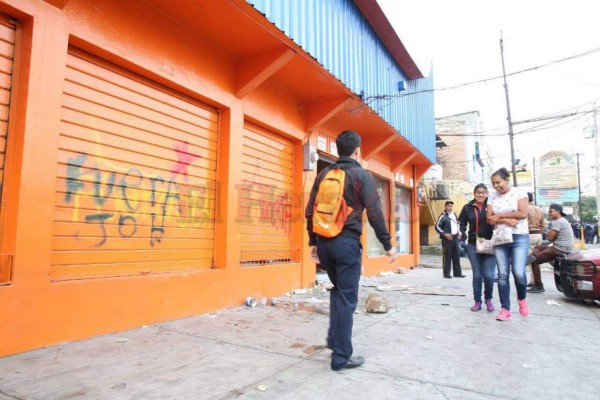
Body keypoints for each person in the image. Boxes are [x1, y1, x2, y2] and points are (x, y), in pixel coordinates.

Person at [305, 130, 396, 372]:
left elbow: (310, 209)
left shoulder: (324, 173)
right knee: (347, 298)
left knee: (338, 293)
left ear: (338, 150)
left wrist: (312, 241)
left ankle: (335, 340)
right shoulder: (360, 174)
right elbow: (375, 212)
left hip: (325, 244)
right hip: (346, 245)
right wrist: (387, 245)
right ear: (357, 150)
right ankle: (341, 357)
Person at [487, 167, 530, 321]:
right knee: (502, 274)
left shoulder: (520, 192)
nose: (496, 186)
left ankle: (522, 299)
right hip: (500, 238)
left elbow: (522, 214)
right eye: (493, 183)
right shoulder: (492, 196)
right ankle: (505, 309)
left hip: (519, 237)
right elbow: (489, 218)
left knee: (518, 272)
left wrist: (498, 216)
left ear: (506, 180)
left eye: (498, 182)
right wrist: (505, 220)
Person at [458, 184, 496, 312]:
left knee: (489, 275)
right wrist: (461, 233)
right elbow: (461, 223)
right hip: (473, 245)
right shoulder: (467, 207)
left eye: (483, 192)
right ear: (474, 194)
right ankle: (477, 301)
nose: (481, 195)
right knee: (477, 275)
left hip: (490, 244)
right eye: (478, 192)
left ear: (487, 194)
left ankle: (489, 299)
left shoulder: (491, 206)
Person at [526, 204, 575, 293]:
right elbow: (550, 239)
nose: (549, 213)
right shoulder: (561, 221)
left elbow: (549, 238)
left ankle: (538, 285)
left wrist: (549, 233)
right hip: (559, 246)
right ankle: (531, 257)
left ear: (558, 211)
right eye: (549, 211)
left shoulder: (559, 222)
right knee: (537, 247)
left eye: (551, 211)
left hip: (561, 248)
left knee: (535, 261)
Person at [435, 200, 465, 278]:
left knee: (456, 255)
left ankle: (457, 273)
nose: (450, 207)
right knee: (447, 256)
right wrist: (445, 234)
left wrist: (459, 234)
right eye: (448, 206)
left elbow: (457, 225)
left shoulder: (454, 214)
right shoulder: (443, 216)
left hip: (455, 238)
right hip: (447, 239)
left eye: (451, 206)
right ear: (445, 207)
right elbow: (437, 226)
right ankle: (446, 274)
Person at [526, 192, 545, 287]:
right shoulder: (539, 209)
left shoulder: (525, 209)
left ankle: (535, 281)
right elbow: (543, 225)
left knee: (531, 259)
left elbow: (523, 225)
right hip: (538, 235)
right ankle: (534, 280)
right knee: (535, 259)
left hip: (529, 235)